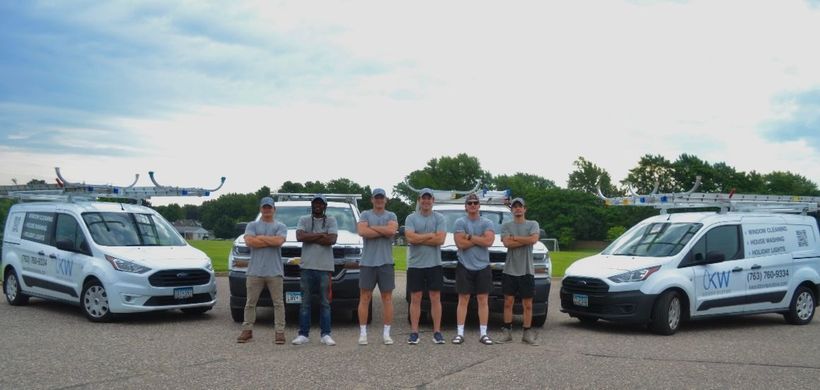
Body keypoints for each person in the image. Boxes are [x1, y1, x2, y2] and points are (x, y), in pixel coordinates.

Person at [237, 196, 288, 344]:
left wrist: (260, 238)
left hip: (275, 271)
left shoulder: (281, 226)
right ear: (260, 209)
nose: (267, 210)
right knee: (250, 303)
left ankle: (280, 332)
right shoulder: (251, 225)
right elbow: (249, 242)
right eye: (264, 207)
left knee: (278, 303)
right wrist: (269, 240)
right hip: (254, 271)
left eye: (269, 207)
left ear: (274, 210)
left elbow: (279, 241)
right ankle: (247, 330)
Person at [292, 194, 338, 346]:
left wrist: (309, 236)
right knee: (305, 302)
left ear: (325, 206)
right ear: (311, 205)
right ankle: (303, 334)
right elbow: (299, 236)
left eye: (321, 203)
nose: (317, 205)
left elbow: (332, 240)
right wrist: (320, 235)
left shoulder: (331, 220)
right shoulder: (303, 219)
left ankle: (326, 334)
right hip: (306, 266)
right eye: (315, 203)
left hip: (324, 268)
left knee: (325, 303)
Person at [356, 188, 398, 345]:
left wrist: (372, 228)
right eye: (376, 198)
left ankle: (386, 333)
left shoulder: (391, 215)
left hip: (386, 262)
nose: (379, 200)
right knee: (365, 298)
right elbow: (362, 231)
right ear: (372, 200)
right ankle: (363, 333)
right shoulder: (365, 214)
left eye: (382, 198)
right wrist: (383, 231)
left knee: (387, 298)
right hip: (367, 262)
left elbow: (392, 230)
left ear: (386, 199)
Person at [404, 188, 447, 345]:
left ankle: (437, 332)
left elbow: (440, 240)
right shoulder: (411, 218)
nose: (426, 201)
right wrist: (430, 235)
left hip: (434, 264)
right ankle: (414, 332)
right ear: (419, 200)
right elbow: (410, 238)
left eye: (429, 198)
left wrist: (419, 237)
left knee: (435, 298)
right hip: (416, 265)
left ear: (433, 201)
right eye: (423, 198)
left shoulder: (440, 218)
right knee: (415, 298)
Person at [452, 193, 495, 345]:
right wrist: (479, 239)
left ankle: (483, 334)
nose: (472, 205)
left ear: (479, 205)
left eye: (475, 202)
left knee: (483, 300)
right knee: (463, 299)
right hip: (464, 264)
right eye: (469, 203)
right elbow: (460, 244)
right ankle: (459, 333)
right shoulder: (459, 222)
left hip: (483, 266)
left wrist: (469, 237)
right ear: (465, 206)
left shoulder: (487, 222)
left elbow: (489, 241)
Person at [500, 197, 541, 346]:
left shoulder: (533, 224)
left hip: (526, 270)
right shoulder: (506, 226)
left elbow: (534, 240)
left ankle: (527, 333)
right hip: (510, 270)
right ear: (511, 209)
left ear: (525, 209)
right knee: (508, 302)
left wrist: (515, 238)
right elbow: (506, 243)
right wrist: (525, 239)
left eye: (520, 206)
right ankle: (507, 332)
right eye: (515, 206)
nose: (517, 209)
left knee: (528, 304)